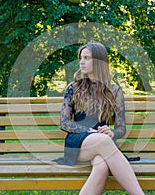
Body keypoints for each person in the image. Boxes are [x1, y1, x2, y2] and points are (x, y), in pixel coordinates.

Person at [55, 42, 144, 195]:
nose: (81, 62)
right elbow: (64, 122)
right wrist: (87, 130)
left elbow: (121, 128)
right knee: (103, 141)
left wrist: (113, 133)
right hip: (78, 143)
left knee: (102, 165)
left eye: (87, 58)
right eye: (81, 58)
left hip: (104, 143)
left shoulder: (114, 91)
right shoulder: (73, 88)